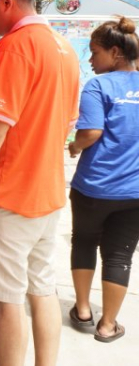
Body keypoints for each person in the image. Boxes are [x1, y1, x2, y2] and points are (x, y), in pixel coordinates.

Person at [0, 0, 79, 366]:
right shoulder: (64, 48)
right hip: (49, 193)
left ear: (5, 0)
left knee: (6, 301)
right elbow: (69, 125)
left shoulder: (15, 46)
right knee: (43, 288)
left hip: (10, 196)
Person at [67, 17, 139, 343]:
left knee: (83, 241)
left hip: (93, 187)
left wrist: (73, 145)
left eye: (94, 52)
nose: (90, 60)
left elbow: (91, 132)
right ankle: (108, 325)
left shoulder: (97, 86)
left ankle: (82, 310)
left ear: (115, 52)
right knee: (120, 254)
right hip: (134, 192)